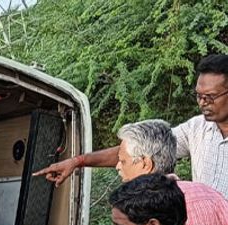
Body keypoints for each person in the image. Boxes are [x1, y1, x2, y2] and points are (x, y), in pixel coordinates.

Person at [34, 54, 228, 198]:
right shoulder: (197, 128)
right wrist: (78, 161)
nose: (202, 103)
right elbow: (138, 150)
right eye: (198, 95)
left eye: (210, 97)